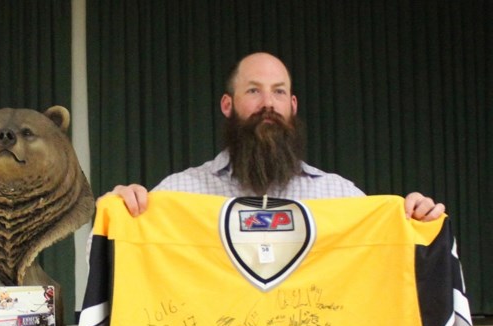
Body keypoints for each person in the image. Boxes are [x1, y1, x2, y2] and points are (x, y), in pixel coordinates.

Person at [109, 52, 445, 221]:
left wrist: (417, 222)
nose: (268, 103)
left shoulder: (342, 198)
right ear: (228, 104)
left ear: (293, 105)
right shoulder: (177, 194)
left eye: (279, 92)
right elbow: (117, 260)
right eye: (254, 90)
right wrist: (121, 212)